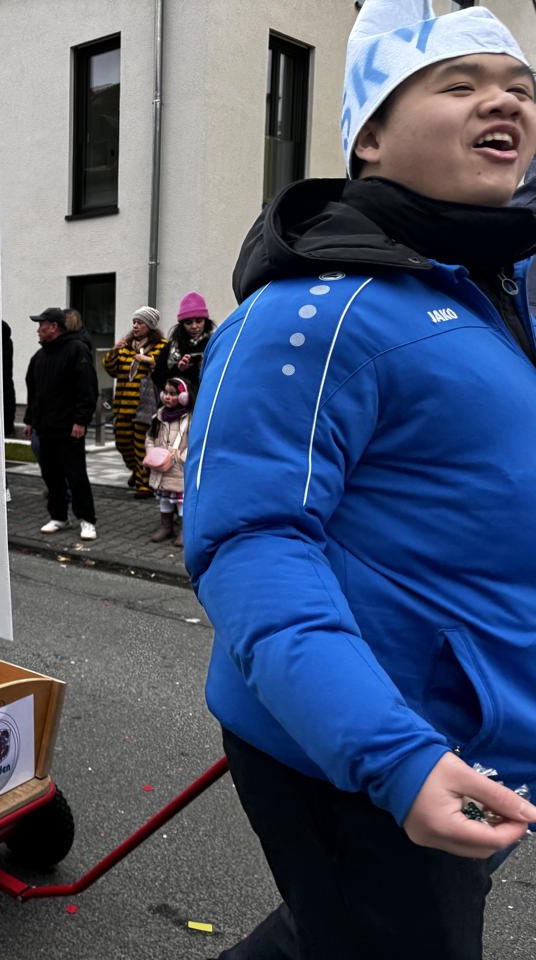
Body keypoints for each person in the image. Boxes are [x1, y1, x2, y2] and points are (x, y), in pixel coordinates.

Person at [187, 3, 536, 956]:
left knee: (330, 933)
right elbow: (249, 542)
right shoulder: (310, 312)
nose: (501, 102)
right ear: (370, 135)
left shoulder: (487, 288)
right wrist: (395, 757)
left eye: (518, 88)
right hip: (366, 759)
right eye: (459, 85)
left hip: (475, 742)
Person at [22, 306, 98, 541]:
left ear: (53, 327)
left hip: (70, 429)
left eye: (41, 325)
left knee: (76, 475)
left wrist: (80, 420)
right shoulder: (39, 356)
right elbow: (33, 391)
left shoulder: (77, 350)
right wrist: (29, 420)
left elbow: (87, 389)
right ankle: (59, 517)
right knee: (51, 475)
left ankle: (87, 520)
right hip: (45, 428)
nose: (38, 330)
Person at [103, 306, 167, 497]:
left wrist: (148, 359)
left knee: (142, 445)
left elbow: (164, 368)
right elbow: (111, 369)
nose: (136, 326)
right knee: (122, 442)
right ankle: (136, 471)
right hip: (123, 405)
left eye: (140, 322)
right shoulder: (126, 346)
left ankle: (144, 485)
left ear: (150, 326)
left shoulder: (161, 345)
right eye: (134, 322)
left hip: (145, 407)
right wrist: (114, 351)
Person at [144, 378, 190, 547]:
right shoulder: (158, 416)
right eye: (165, 393)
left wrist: (180, 457)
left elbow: (195, 443)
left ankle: (185, 530)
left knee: (182, 502)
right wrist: (151, 452)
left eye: (173, 394)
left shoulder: (189, 419)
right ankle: (166, 526)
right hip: (161, 468)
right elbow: (150, 437)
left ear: (184, 396)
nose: (167, 397)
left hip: (179, 469)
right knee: (164, 500)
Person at [153, 293, 214, 395]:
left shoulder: (213, 344)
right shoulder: (171, 346)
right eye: (189, 322)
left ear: (205, 322)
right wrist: (178, 369)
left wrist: (204, 367)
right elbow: (157, 377)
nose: (194, 326)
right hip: (175, 406)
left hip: (205, 399)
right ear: (182, 324)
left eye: (199, 321)